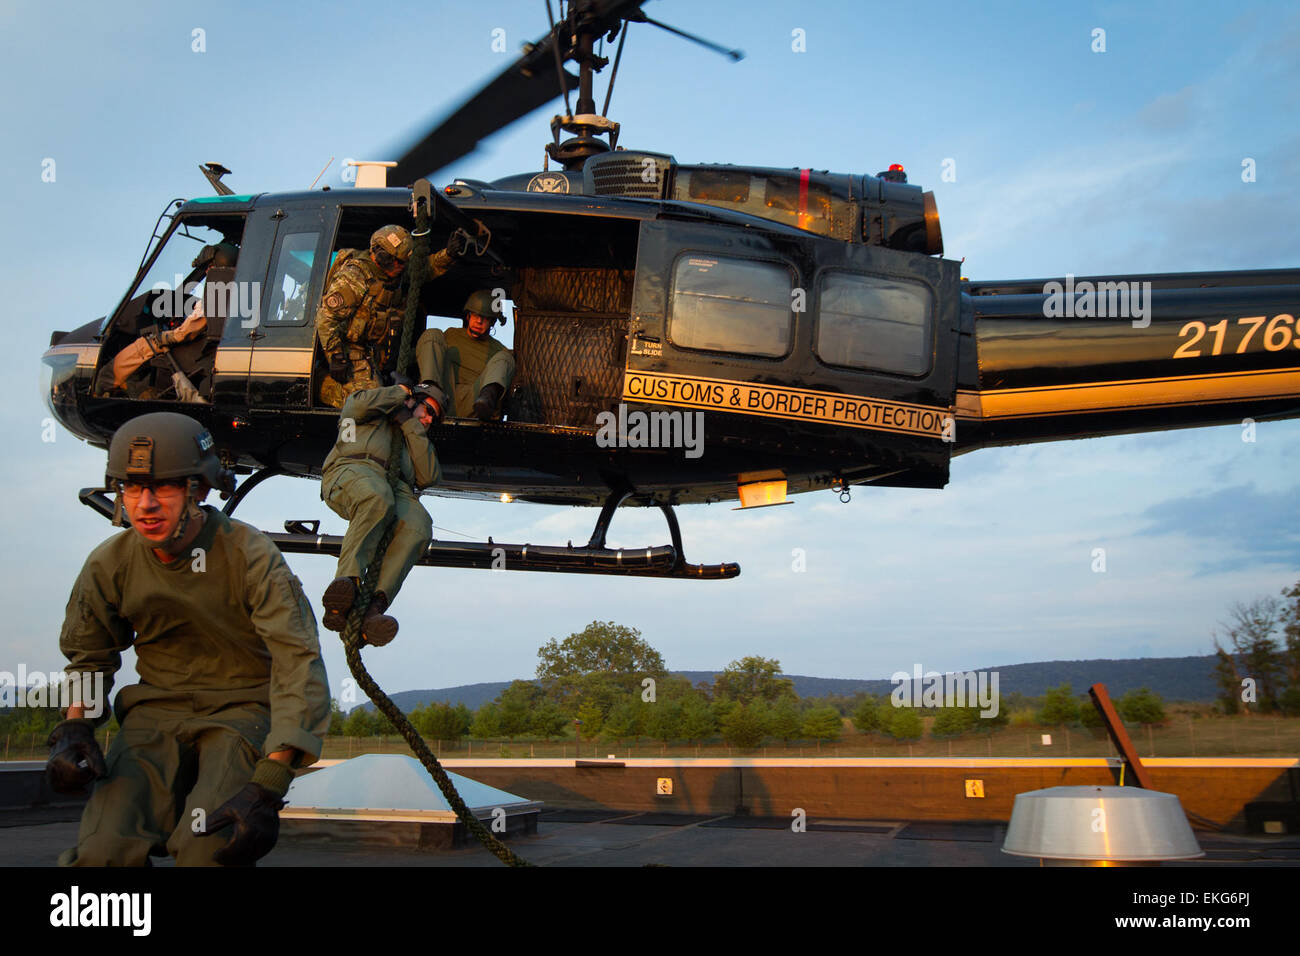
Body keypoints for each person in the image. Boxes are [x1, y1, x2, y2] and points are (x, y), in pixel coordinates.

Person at [47, 412, 331, 867]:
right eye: (133, 488)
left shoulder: (251, 555)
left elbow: (298, 661)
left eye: (164, 487)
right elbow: (88, 656)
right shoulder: (109, 563)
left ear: (198, 490)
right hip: (152, 713)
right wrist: (76, 726)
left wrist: (270, 781)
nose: (145, 505)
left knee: (208, 849)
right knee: (103, 852)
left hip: (241, 714)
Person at [319, 378, 445, 645]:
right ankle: (347, 583)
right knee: (376, 497)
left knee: (418, 527)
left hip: (393, 486)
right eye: (429, 411)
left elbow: (428, 475)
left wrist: (410, 423)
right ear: (416, 401)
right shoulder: (371, 414)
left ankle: (372, 609)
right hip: (352, 468)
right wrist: (398, 395)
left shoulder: (414, 437)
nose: (431, 419)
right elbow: (354, 405)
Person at [316, 225, 467, 408]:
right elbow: (326, 318)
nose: (402, 267)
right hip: (354, 354)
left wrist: (449, 254)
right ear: (383, 257)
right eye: (399, 262)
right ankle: (322, 384)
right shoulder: (354, 277)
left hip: (381, 356)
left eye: (404, 262)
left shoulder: (397, 271)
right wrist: (336, 357)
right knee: (374, 404)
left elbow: (424, 270)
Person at [96, 242, 239, 401]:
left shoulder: (218, 288)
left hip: (200, 353)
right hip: (216, 350)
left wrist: (164, 336)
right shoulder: (242, 289)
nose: (206, 271)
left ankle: (102, 386)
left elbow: (188, 331)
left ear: (217, 266)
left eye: (209, 267)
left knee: (144, 345)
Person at [416, 288, 516, 420]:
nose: (479, 321)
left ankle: (487, 399)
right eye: (475, 315)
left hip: (475, 404)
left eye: (485, 318)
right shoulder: (451, 335)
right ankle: (428, 390)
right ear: (468, 316)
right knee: (432, 334)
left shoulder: (499, 350)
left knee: (506, 358)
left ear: (492, 322)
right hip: (441, 396)